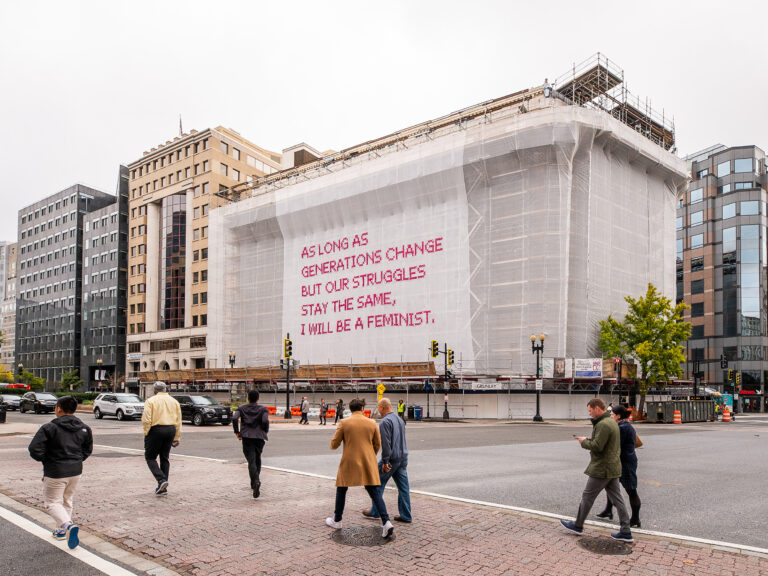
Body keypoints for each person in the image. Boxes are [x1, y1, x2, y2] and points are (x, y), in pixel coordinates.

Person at [560, 398, 633, 542]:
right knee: (618, 499)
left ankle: (578, 525)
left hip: (602, 467)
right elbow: (604, 443)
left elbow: (598, 446)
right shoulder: (611, 422)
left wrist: (584, 442)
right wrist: (589, 439)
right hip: (612, 466)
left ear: (597, 408)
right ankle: (626, 531)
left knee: (587, 496)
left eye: (590, 410)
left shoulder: (603, 424)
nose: (589, 413)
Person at [28, 396, 92, 549]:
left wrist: (47, 459)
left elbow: (34, 448)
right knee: (66, 500)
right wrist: (76, 459)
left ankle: (67, 526)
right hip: (76, 470)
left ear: (59, 408)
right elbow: (87, 450)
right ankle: (63, 530)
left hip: (56, 470)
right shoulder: (84, 428)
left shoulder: (49, 428)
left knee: (52, 503)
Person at [326, 398, 394, 539]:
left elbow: (334, 444)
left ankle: (337, 519)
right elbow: (377, 444)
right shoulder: (372, 423)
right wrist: (369, 455)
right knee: (374, 491)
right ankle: (386, 521)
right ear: (362, 408)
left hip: (349, 461)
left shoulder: (344, 423)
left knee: (342, 488)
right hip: (368, 461)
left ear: (350, 409)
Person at [362, 398, 412, 523]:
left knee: (376, 483)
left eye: (378, 408)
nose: (378, 410)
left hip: (392, 459)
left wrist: (385, 462)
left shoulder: (385, 422)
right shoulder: (399, 420)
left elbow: (386, 444)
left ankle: (375, 511)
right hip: (403, 457)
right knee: (403, 487)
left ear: (382, 407)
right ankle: (406, 515)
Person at [595, 405, 641, 527]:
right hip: (624, 460)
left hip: (625, 463)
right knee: (611, 486)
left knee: (631, 490)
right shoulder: (625, 425)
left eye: (612, 414)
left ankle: (635, 518)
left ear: (618, 416)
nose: (610, 416)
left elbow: (614, 446)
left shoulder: (622, 428)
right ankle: (608, 510)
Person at [142, 382, 182, 495]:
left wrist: (146, 432)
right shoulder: (174, 402)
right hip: (170, 429)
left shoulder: (151, 401)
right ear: (165, 389)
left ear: (155, 390)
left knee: (150, 457)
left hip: (156, 429)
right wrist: (177, 437)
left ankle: (161, 480)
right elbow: (178, 421)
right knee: (164, 457)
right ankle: (163, 487)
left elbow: (146, 419)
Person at [233, 389, 270, 498]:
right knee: (257, 458)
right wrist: (265, 430)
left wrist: (237, 432)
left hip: (247, 436)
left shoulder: (242, 408)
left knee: (251, 460)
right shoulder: (263, 409)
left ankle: (255, 482)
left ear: (248, 398)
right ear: (258, 398)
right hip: (259, 436)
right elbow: (265, 421)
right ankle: (255, 482)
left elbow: (235, 418)